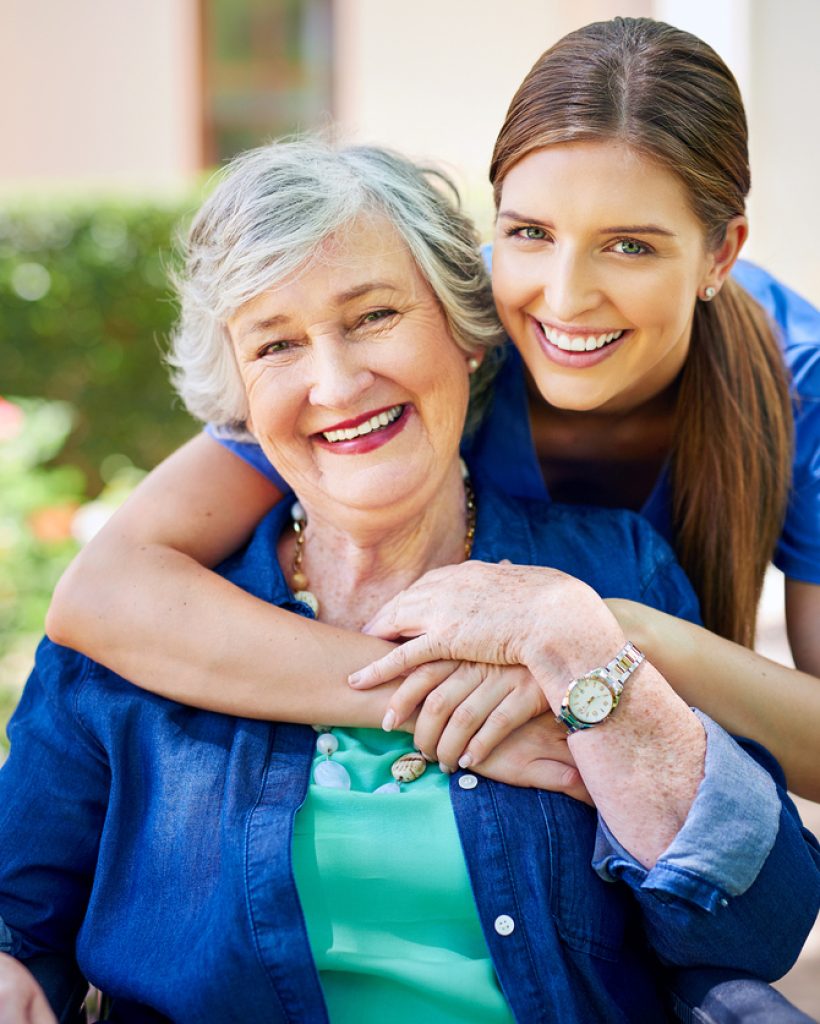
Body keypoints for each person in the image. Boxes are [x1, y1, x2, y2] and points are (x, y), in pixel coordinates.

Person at [1, 137, 818, 1024]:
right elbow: (19, 918)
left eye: (373, 316)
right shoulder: (140, 636)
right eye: (275, 344)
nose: (338, 382)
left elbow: (758, 926)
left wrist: (583, 648)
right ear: (238, 394)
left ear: (467, 335)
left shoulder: (611, 572)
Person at [45, 17, 820, 797]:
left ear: (720, 252)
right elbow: (105, 593)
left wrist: (612, 639)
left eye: (630, 246)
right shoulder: (434, 332)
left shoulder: (799, 385)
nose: (564, 296)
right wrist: (429, 700)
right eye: (530, 232)